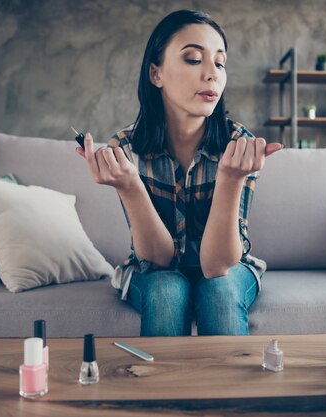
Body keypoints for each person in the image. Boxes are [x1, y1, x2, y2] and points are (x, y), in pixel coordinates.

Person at [76, 9, 282, 336]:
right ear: (156, 74)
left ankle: (231, 389)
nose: (212, 73)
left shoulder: (238, 143)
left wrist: (231, 178)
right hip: (155, 269)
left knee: (220, 290)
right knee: (167, 290)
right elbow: (158, 260)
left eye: (220, 62)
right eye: (193, 59)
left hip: (226, 267)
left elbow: (217, 267)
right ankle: (163, 389)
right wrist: (130, 186)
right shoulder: (127, 147)